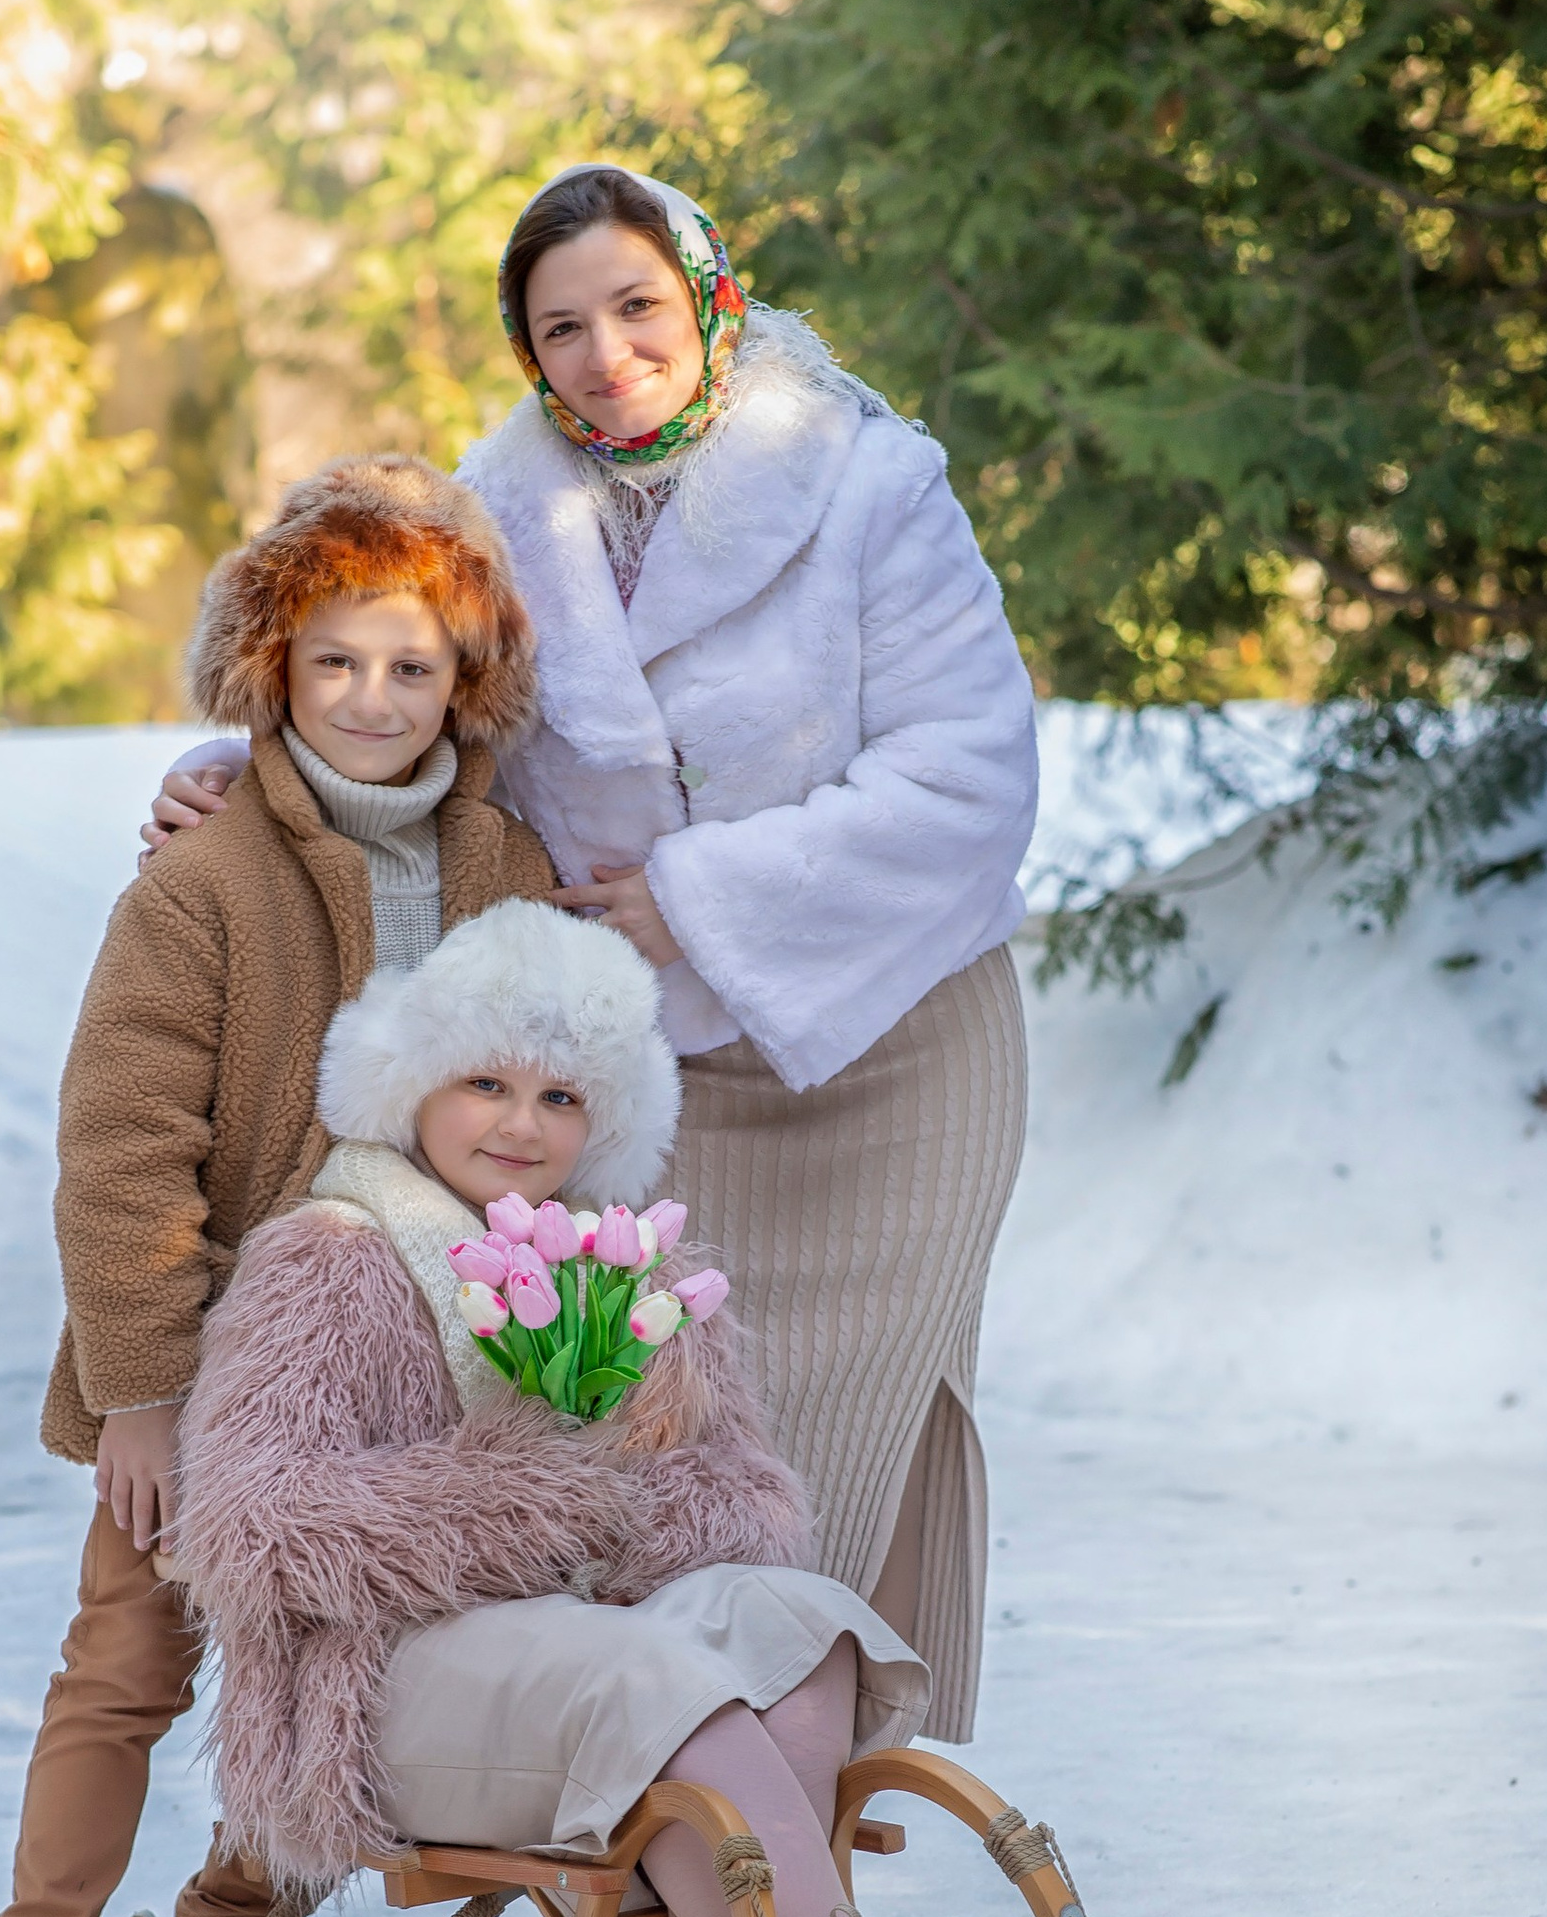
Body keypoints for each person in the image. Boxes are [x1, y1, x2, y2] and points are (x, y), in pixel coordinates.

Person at [145, 164, 1040, 1749]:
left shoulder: (869, 483)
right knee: (658, 1445)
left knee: (844, 1447)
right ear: (526, 348)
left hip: (893, 1043)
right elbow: (405, 681)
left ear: (707, 297)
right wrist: (250, 773)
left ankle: (806, 1818)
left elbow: (972, 779)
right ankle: (674, 1810)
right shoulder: (502, 515)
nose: (606, 352)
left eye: (636, 306)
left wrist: (700, 898)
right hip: (647, 1080)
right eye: (561, 327)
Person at [172, 901, 1042, 1917]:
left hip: (590, 1665)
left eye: (562, 1098)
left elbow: (751, 1500)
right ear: (414, 1082)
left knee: (798, 1622)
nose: (522, 1127)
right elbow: (249, 1524)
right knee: (648, 1673)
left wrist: (638, 1492)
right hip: (392, 1686)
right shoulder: (330, 1259)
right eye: (486, 1084)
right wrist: (535, 1495)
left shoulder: (629, 1275)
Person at [0, 457, 560, 1917]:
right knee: (130, 1661)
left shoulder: (503, 866)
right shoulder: (202, 881)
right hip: (215, 1353)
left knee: (336, 1654)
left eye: (412, 667)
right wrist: (142, 1393)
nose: (372, 700)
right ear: (271, 671)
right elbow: (119, 1151)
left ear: (467, 680)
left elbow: (545, 1095)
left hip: (408, 1346)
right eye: (334, 663)